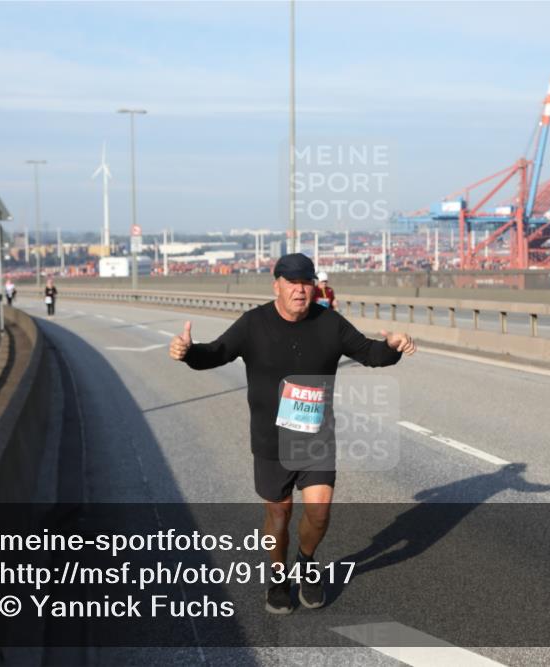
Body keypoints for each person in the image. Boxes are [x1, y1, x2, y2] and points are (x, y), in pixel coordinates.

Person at [169, 253, 416, 614]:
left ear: (314, 286)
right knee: (280, 515)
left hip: (315, 439)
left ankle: (307, 560)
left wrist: (393, 347)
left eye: (306, 283)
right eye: (292, 283)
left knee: (318, 511)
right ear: (277, 286)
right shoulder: (254, 324)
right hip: (271, 441)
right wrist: (189, 352)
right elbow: (217, 353)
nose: (300, 290)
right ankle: (278, 575)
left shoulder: (329, 323)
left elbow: (369, 353)